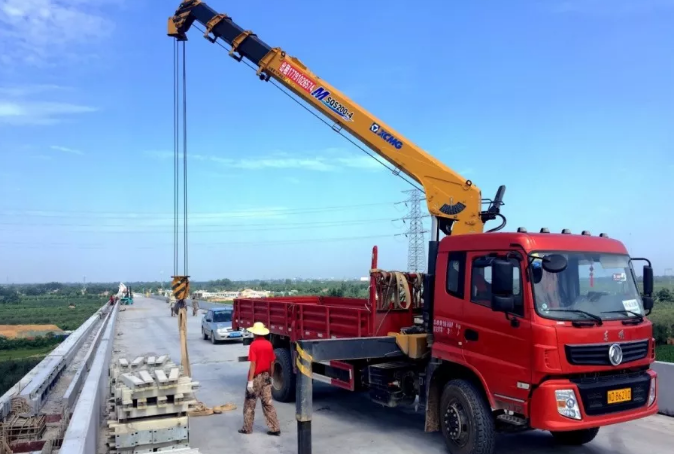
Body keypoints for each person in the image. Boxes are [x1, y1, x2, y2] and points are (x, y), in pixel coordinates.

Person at [239, 322, 280, 436]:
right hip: (266, 376)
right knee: (268, 403)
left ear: (255, 333)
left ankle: (247, 428)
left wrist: (250, 381)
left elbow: (253, 364)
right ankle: (275, 428)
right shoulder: (269, 344)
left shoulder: (254, 345)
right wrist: (271, 376)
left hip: (256, 378)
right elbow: (272, 362)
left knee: (250, 403)